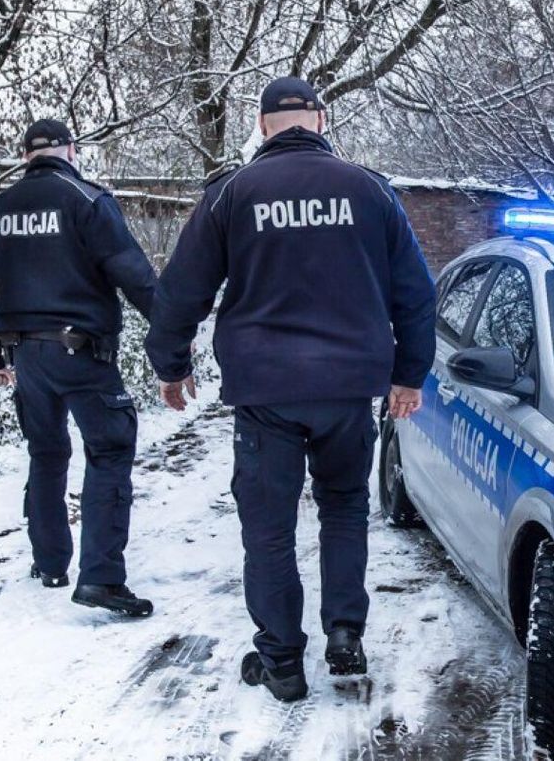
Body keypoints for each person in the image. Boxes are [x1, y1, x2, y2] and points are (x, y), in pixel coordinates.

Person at [145, 76, 436, 701]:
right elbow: (414, 291)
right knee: (344, 508)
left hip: (266, 391)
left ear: (262, 123)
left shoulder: (233, 193)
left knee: (269, 527)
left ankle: (280, 661)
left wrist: (172, 365)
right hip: (348, 390)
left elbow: (181, 290)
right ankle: (344, 634)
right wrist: (409, 375)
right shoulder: (370, 191)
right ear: (321, 120)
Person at [0, 119, 158, 618]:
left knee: (47, 453)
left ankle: (50, 563)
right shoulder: (87, 200)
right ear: (71, 150)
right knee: (109, 452)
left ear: (25, 155)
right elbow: (131, 271)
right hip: (83, 353)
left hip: (24, 355)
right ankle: (102, 579)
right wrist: (171, 331)